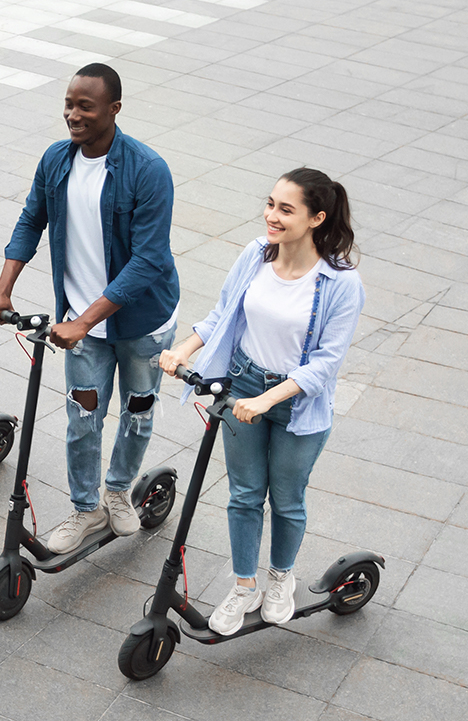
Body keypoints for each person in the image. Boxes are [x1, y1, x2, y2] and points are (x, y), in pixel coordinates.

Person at [0, 63, 179, 554]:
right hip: (81, 327)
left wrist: (84, 321)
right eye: (69, 104)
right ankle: (87, 508)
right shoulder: (56, 160)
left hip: (142, 324)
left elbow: (148, 260)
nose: (73, 115)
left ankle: (118, 490)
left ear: (114, 109)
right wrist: (3, 288)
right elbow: (31, 219)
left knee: (137, 411)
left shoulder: (147, 170)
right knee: (83, 418)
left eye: (85, 106)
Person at [157, 167, 363, 635]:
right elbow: (222, 314)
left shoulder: (340, 283)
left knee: (287, 499)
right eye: (270, 204)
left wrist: (269, 399)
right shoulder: (255, 254)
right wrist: (184, 350)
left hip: (296, 402)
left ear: (316, 218)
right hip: (243, 384)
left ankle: (281, 578)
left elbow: (326, 364)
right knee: (245, 494)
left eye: (286, 209)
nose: (271, 215)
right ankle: (244, 585)